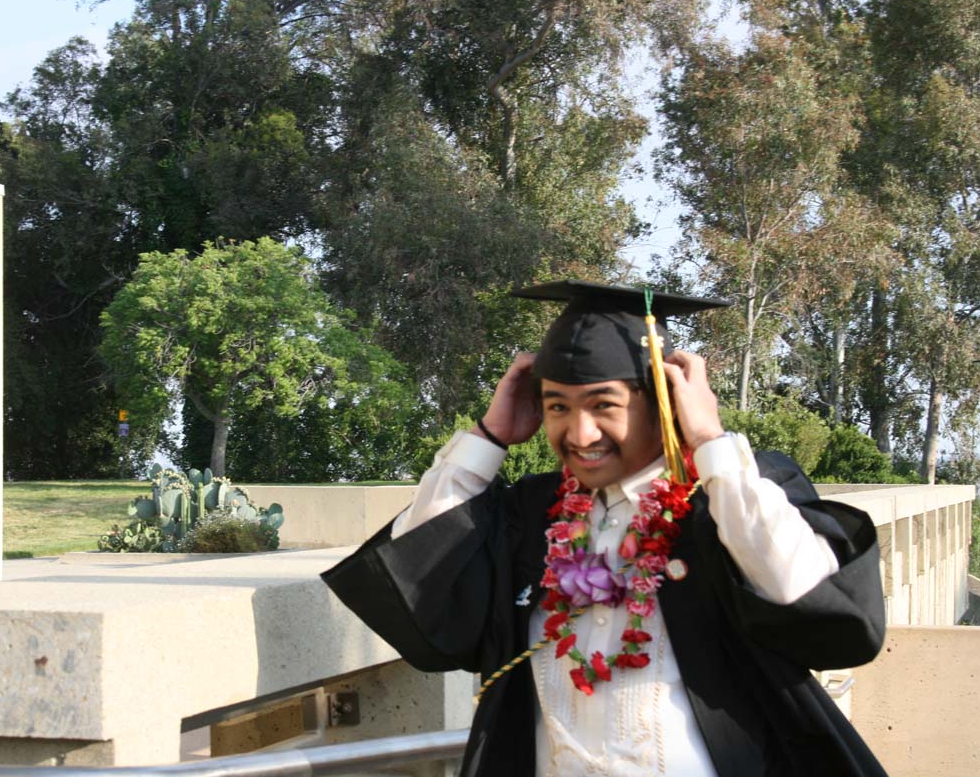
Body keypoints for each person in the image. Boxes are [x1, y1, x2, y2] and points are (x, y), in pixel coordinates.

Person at [322, 281, 886, 777]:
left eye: (603, 404)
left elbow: (807, 598)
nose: (580, 432)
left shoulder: (729, 498)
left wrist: (710, 442)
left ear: (661, 403)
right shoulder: (530, 515)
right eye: (558, 406)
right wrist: (488, 438)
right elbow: (423, 579)